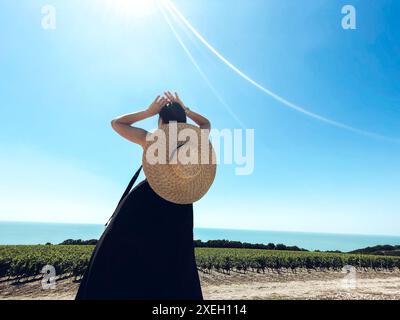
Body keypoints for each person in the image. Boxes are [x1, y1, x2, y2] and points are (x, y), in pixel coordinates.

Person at [75, 91, 211, 300]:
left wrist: (148, 111)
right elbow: (206, 124)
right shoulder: (194, 144)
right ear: (183, 122)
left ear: (161, 121)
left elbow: (117, 123)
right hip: (181, 207)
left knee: (122, 261)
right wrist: (187, 109)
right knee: (175, 267)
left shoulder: (151, 140)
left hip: (146, 202)